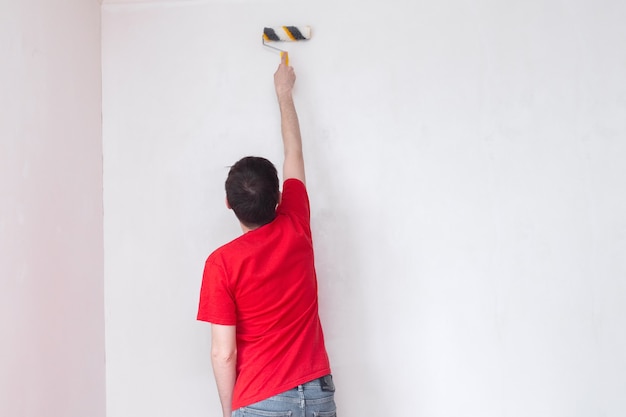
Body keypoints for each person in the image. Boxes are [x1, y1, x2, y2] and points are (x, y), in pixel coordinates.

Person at [197, 53, 336, 417]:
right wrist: (284, 93)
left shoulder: (222, 264)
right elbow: (294, 152)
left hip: (263, 399)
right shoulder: (296, 223)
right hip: (319, 393)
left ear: (228, 203)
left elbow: (223, 352)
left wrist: (230, 412)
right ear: (278, 197)